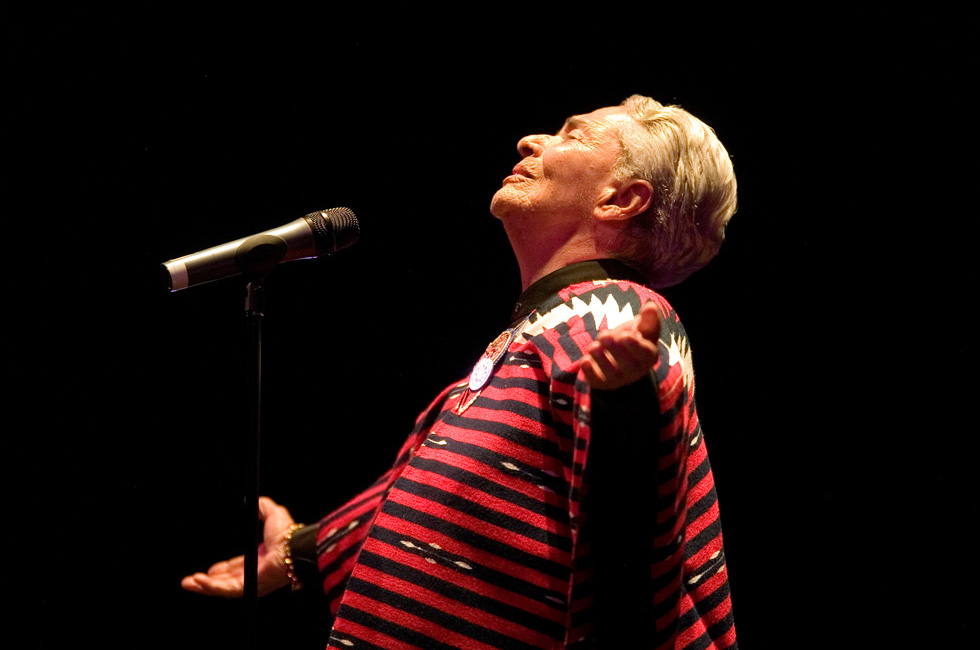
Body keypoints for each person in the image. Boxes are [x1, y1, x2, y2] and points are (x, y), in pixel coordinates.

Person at [182, 94, 739, 649]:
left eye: (572, 135)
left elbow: (637, 501)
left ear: (620, 200)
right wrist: (300, 551)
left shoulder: (614, 309)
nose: (530, 141)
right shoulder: (542, 333)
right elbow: (437, 493)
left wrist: (625, 399)